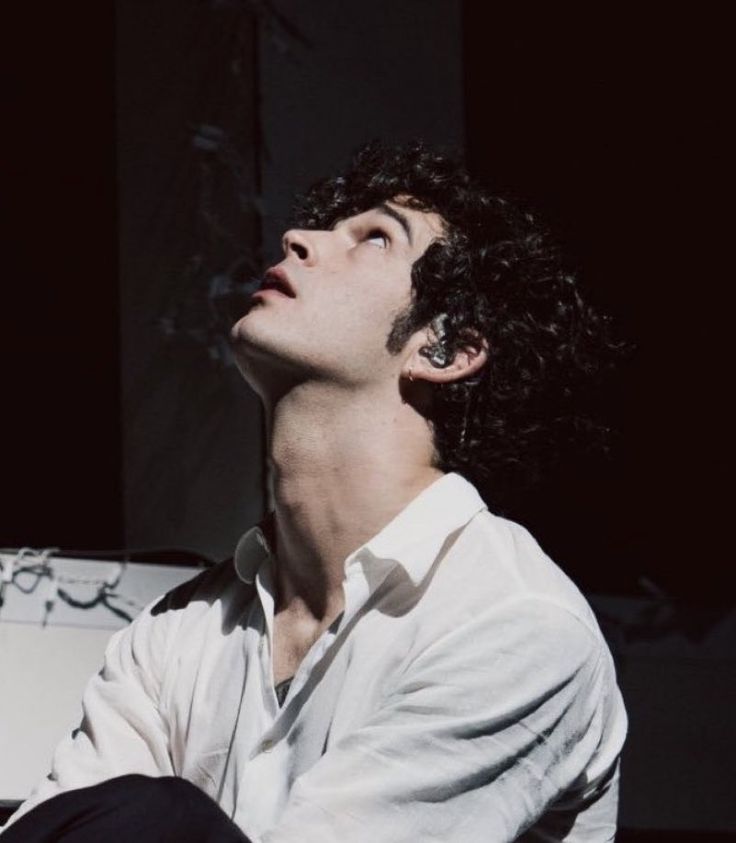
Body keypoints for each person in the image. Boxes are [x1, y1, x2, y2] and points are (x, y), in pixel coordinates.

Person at [2, 142, 627, 842]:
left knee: (161, 817)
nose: (297, 239)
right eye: (322, 227)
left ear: (445, 350)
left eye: (375, 237)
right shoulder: (179, 627)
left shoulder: (513, 625)